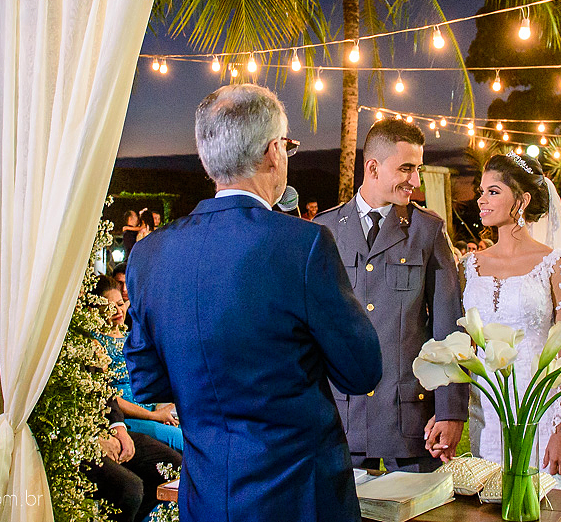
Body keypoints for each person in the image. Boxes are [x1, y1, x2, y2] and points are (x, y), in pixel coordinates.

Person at [126, 84, 381, 522]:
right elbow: (361, 371)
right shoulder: (302, 244)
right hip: (300, 498)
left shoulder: (150, 254)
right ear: (272, 152)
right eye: (287, 145)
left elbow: (149, 382)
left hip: (205, 497)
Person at [315, 118, 466, 472]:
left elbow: (448, 329)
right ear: (373, 167)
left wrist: (450, 410)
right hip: (342, 418)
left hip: (410, 422)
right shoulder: (325, 230)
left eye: (417, 169)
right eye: (406, 169)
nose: (415, 180)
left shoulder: (427, 231)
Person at [457, 153, 561, 490]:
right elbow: (466, 344)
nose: (481, 200)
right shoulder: (469, 266)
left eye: (493, 192)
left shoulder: (558, 265)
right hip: (488, 410)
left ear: (522, 200)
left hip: (542, 409)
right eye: (481, 191)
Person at [93, 277, 181, 450]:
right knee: (181, 442)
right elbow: (108, 396)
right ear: (96, 309)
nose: (118, 311)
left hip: (154, 408)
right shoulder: (96, 344)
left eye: (120, 304)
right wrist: (153, 415)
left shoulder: (131, 338)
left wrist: (165, 406)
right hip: (130, 418)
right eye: (110, 307)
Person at [86, 392, 182, 522]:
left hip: (110, 424)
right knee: (130, 488)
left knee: (173, 466)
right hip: (81, 436)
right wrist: (93, 437)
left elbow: (106, 393)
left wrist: (118, 428)